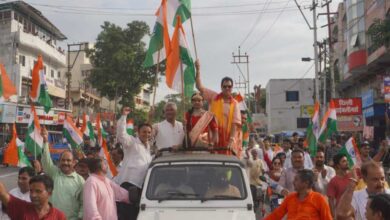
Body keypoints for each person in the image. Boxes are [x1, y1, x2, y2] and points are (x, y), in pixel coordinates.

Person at [195, 60, 241, 155]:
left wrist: (231, 140)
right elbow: (199, 86)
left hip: (228, 141)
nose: (227, 88)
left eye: (229, 86)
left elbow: (234, 124)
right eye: (225, 86)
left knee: (227, 166)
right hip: (213, 138)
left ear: (232, 87)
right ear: (221, 87)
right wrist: (198, 69)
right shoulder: (213, 97)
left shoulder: (235, 103)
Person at [116, 107, 153, 220]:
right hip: (128, 185)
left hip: (141, 188)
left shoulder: (148, 147)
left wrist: (150, 117)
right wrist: (124, 116)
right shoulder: (132, 142)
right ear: (138, 132)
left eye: (148, 132)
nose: (146, 134)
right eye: (144, 132)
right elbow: (122, 134)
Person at [41, 127, 84, 220]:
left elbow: (83, 203)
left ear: (74, 162)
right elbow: (46, 161)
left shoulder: (80, 180)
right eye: (63, 160)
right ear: (59, 162)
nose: (65, 163)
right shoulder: (54, 173)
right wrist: (45, 141)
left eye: (68, 160)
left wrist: (80, 218)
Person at [264, 169, 332, 220]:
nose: (293, 182)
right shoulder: (290, 198)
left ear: (306, 183)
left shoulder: (320, 199)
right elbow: (276, 215)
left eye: (296, 180)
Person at [0, 175, 66, 219]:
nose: (33, 195)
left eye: (38, 191)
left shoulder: (59, 216)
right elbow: (2, 193)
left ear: (49, 193)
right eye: (31, 191)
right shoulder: (22, 208)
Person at [327, 153, 353, 217]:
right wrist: (334, 216)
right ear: (338, 165)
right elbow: (331, 201)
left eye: (347, 161)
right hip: (342, 215)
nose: (347, 163)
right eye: (344, 161)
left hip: (355, 213)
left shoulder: (353, 176)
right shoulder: (333, 181)